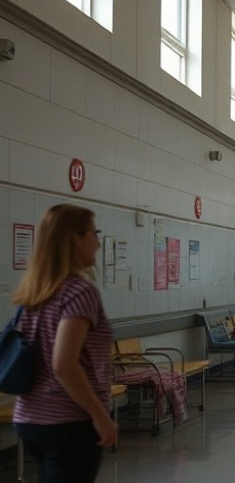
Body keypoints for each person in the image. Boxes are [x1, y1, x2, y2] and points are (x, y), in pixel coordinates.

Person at [12, 204, 117, 482]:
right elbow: (63, 364)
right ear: (75, 238)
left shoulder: (35, 291)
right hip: (68, 421)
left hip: (29, 416)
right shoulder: (79, 291)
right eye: (94, 234)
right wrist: (100, 415)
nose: (97, 242)